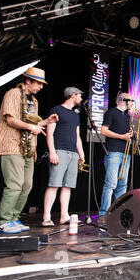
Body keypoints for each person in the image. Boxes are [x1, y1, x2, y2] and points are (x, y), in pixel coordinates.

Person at [0, 67, 58, 234]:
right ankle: (3, 221)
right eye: (38, 83)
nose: (41, 87)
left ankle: (13, 218)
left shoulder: (34, 101)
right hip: (12, 144)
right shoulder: (13, 94)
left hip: (27, 149)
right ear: (28, 81)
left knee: (27, 185)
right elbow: (10, 120)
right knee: (15, 184)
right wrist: (30, 127)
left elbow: (33, 125)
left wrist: (46, 122)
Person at [41, 87, 85, 227]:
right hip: (59, 151)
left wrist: (81, 152)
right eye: (79, 96)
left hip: (73, 153)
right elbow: (50, 133)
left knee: (68, 186)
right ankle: (46, 217)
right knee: (54, 184)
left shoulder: (76, 116)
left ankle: (64, 216)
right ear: (72, 96)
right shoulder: (57, 110)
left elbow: (77, 136)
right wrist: (52, 152)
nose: (81, 99)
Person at [98, 92, 135, 225]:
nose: (132, 103)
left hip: (126, 153)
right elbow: (103, 131)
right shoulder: (111, 112)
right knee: (111, 184)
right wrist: (122, 136)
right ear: (124, 100)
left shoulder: (127, 116)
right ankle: (103, 214)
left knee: (122, 185)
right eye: (131, 100)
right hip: (113, 152)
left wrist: (130, 135)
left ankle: (118, 212)